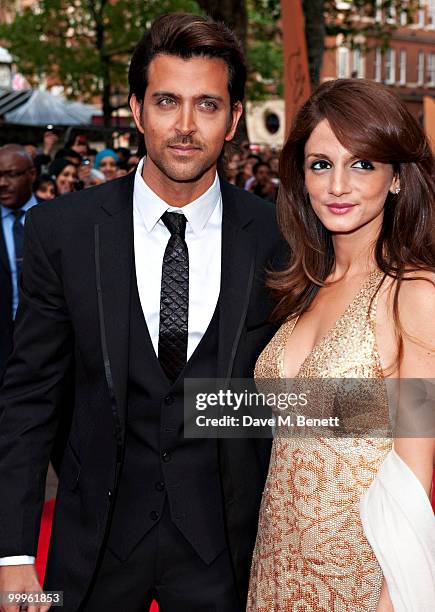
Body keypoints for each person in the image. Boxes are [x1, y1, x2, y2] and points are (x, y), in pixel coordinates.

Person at [0, 14, 282, 612]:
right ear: (136, 109)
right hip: (96, 544)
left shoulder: (277, 236)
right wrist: (13, 554)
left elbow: (307, 394)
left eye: (207, 104)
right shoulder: (63, 231)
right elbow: (30, 399)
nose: (184, 125)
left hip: (228, 551)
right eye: (166, 101)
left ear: (234, 119)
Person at [247, 79, 435, 610]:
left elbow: (414, 476)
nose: (338, 186)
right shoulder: (302, 284)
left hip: (360, 574)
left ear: (397, 178)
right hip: (276, 562)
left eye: (362, 165)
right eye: (321, 164)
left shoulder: (414, 293)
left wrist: (393, 599)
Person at [0, 145, 37, 383]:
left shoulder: (59, 217)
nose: (2, 183)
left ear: (32, 174)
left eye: (11, 174)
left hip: (46, 340)